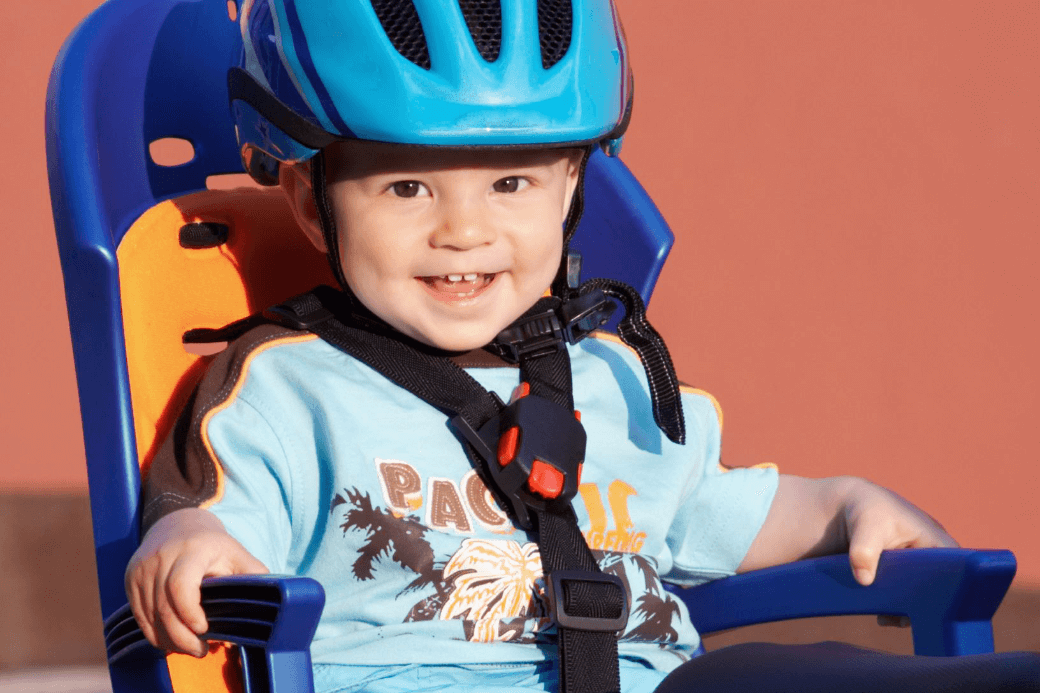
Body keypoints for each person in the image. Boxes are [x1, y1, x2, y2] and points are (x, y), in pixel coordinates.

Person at [126, 1, 1037, 692]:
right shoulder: (287, 390)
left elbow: (725, 510)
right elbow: (209, 523)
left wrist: (846, 506)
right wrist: (190, 543)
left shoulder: (616, 376)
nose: (464, 230)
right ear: (305, 199)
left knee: (778, 674)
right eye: (406, 186)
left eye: (512, 180)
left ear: (571, 186)